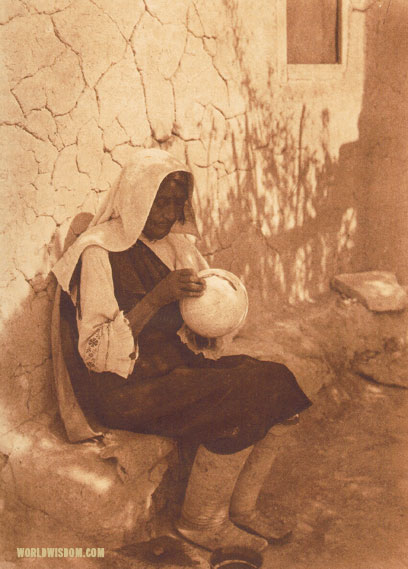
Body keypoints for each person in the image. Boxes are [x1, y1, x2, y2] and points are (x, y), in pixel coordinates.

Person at [52, 148, 312, 552]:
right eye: (162, 200)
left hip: (171, 371)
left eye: (178, 201)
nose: (172, 212)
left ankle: (240, 508)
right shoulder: (99, 252)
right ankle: (199, 523)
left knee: (277, 380)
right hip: (124, 391)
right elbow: (95, 354)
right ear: (136, 198)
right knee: (244, 392)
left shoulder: (173, 247)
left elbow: (195, 329)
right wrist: (157, 299)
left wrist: (211, 319)